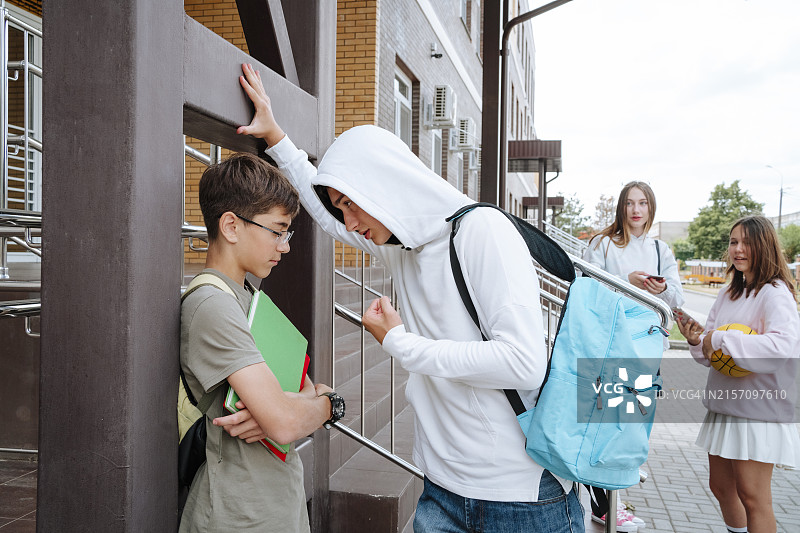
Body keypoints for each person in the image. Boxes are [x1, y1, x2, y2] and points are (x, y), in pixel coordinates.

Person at [231, 63, 585, 532]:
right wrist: (277, 138)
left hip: (519, 498)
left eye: (352, 203)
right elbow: (324, 213)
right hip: (441, 488)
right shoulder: (401, 244)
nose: (350, 223)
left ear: (382, 186)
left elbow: (523, 362)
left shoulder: (481, 232)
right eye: (343, 209)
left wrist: (400, 343)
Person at [179, 152, 343, 532]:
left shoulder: (248, 297)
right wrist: (327, 405)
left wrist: (302, 405)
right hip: (238, 515)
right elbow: (287, 422)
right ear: (232, 226)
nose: (284, 246)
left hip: (272, 504)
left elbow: (299, 394)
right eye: (277, 230)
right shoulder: (212, 304)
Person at [677, 215, 800, 533]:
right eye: (733, 242)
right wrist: (698, 341)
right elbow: (711, 351)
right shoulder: (729, 293)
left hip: (758, 411)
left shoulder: (775, 293)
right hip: (726, 405)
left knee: (753, 496)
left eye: (746, 242)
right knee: (721, 487)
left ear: (764, 246)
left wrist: (718, 338)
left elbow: (782, 346)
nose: (738, 249)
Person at [582, 181, 684, 531]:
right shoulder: (603, 244)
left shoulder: (659, 249)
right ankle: (607, 505)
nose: (636, 209)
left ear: (651, 208)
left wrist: (662, 288)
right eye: (629, 203)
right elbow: (587, 286)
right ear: (621, 208)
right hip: (611, 344)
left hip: (646, 348)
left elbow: (678, 298)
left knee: (630, 425)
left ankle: (613, 497)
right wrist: (626, 280)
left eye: (642, 203)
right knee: (607, 424)